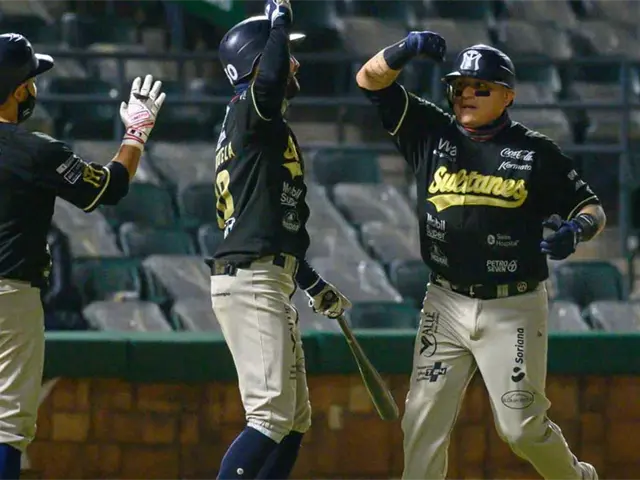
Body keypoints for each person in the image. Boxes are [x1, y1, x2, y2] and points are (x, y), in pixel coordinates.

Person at [357, 34, 604, 480]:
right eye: (458, 86)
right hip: (445, 301)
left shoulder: (535, 152)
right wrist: (404, 49)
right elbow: (370, 80)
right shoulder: (430, 131)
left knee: (521, 430)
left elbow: (591, 208)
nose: (466, 94)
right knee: (422, 419)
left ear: (508, 96)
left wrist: (577, 230)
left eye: (481, 88)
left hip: (513, 305)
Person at [0, 33, 165, 479]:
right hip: (9, 295)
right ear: (18, 90)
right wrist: (136, 132)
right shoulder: (35, 150)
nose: (34, 88)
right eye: (30, 80)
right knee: (7, 422)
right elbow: (108, 188)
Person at [208, 2, 352, 479]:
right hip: (250, 279)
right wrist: (279, 21)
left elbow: (270, 225)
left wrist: (312, 283)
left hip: (267, 274)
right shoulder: (250, 109)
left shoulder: (259, 125)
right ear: (257, 62)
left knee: (293, 421)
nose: (295, 63)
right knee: (270, 417)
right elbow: (267, 81)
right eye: (286, 54)